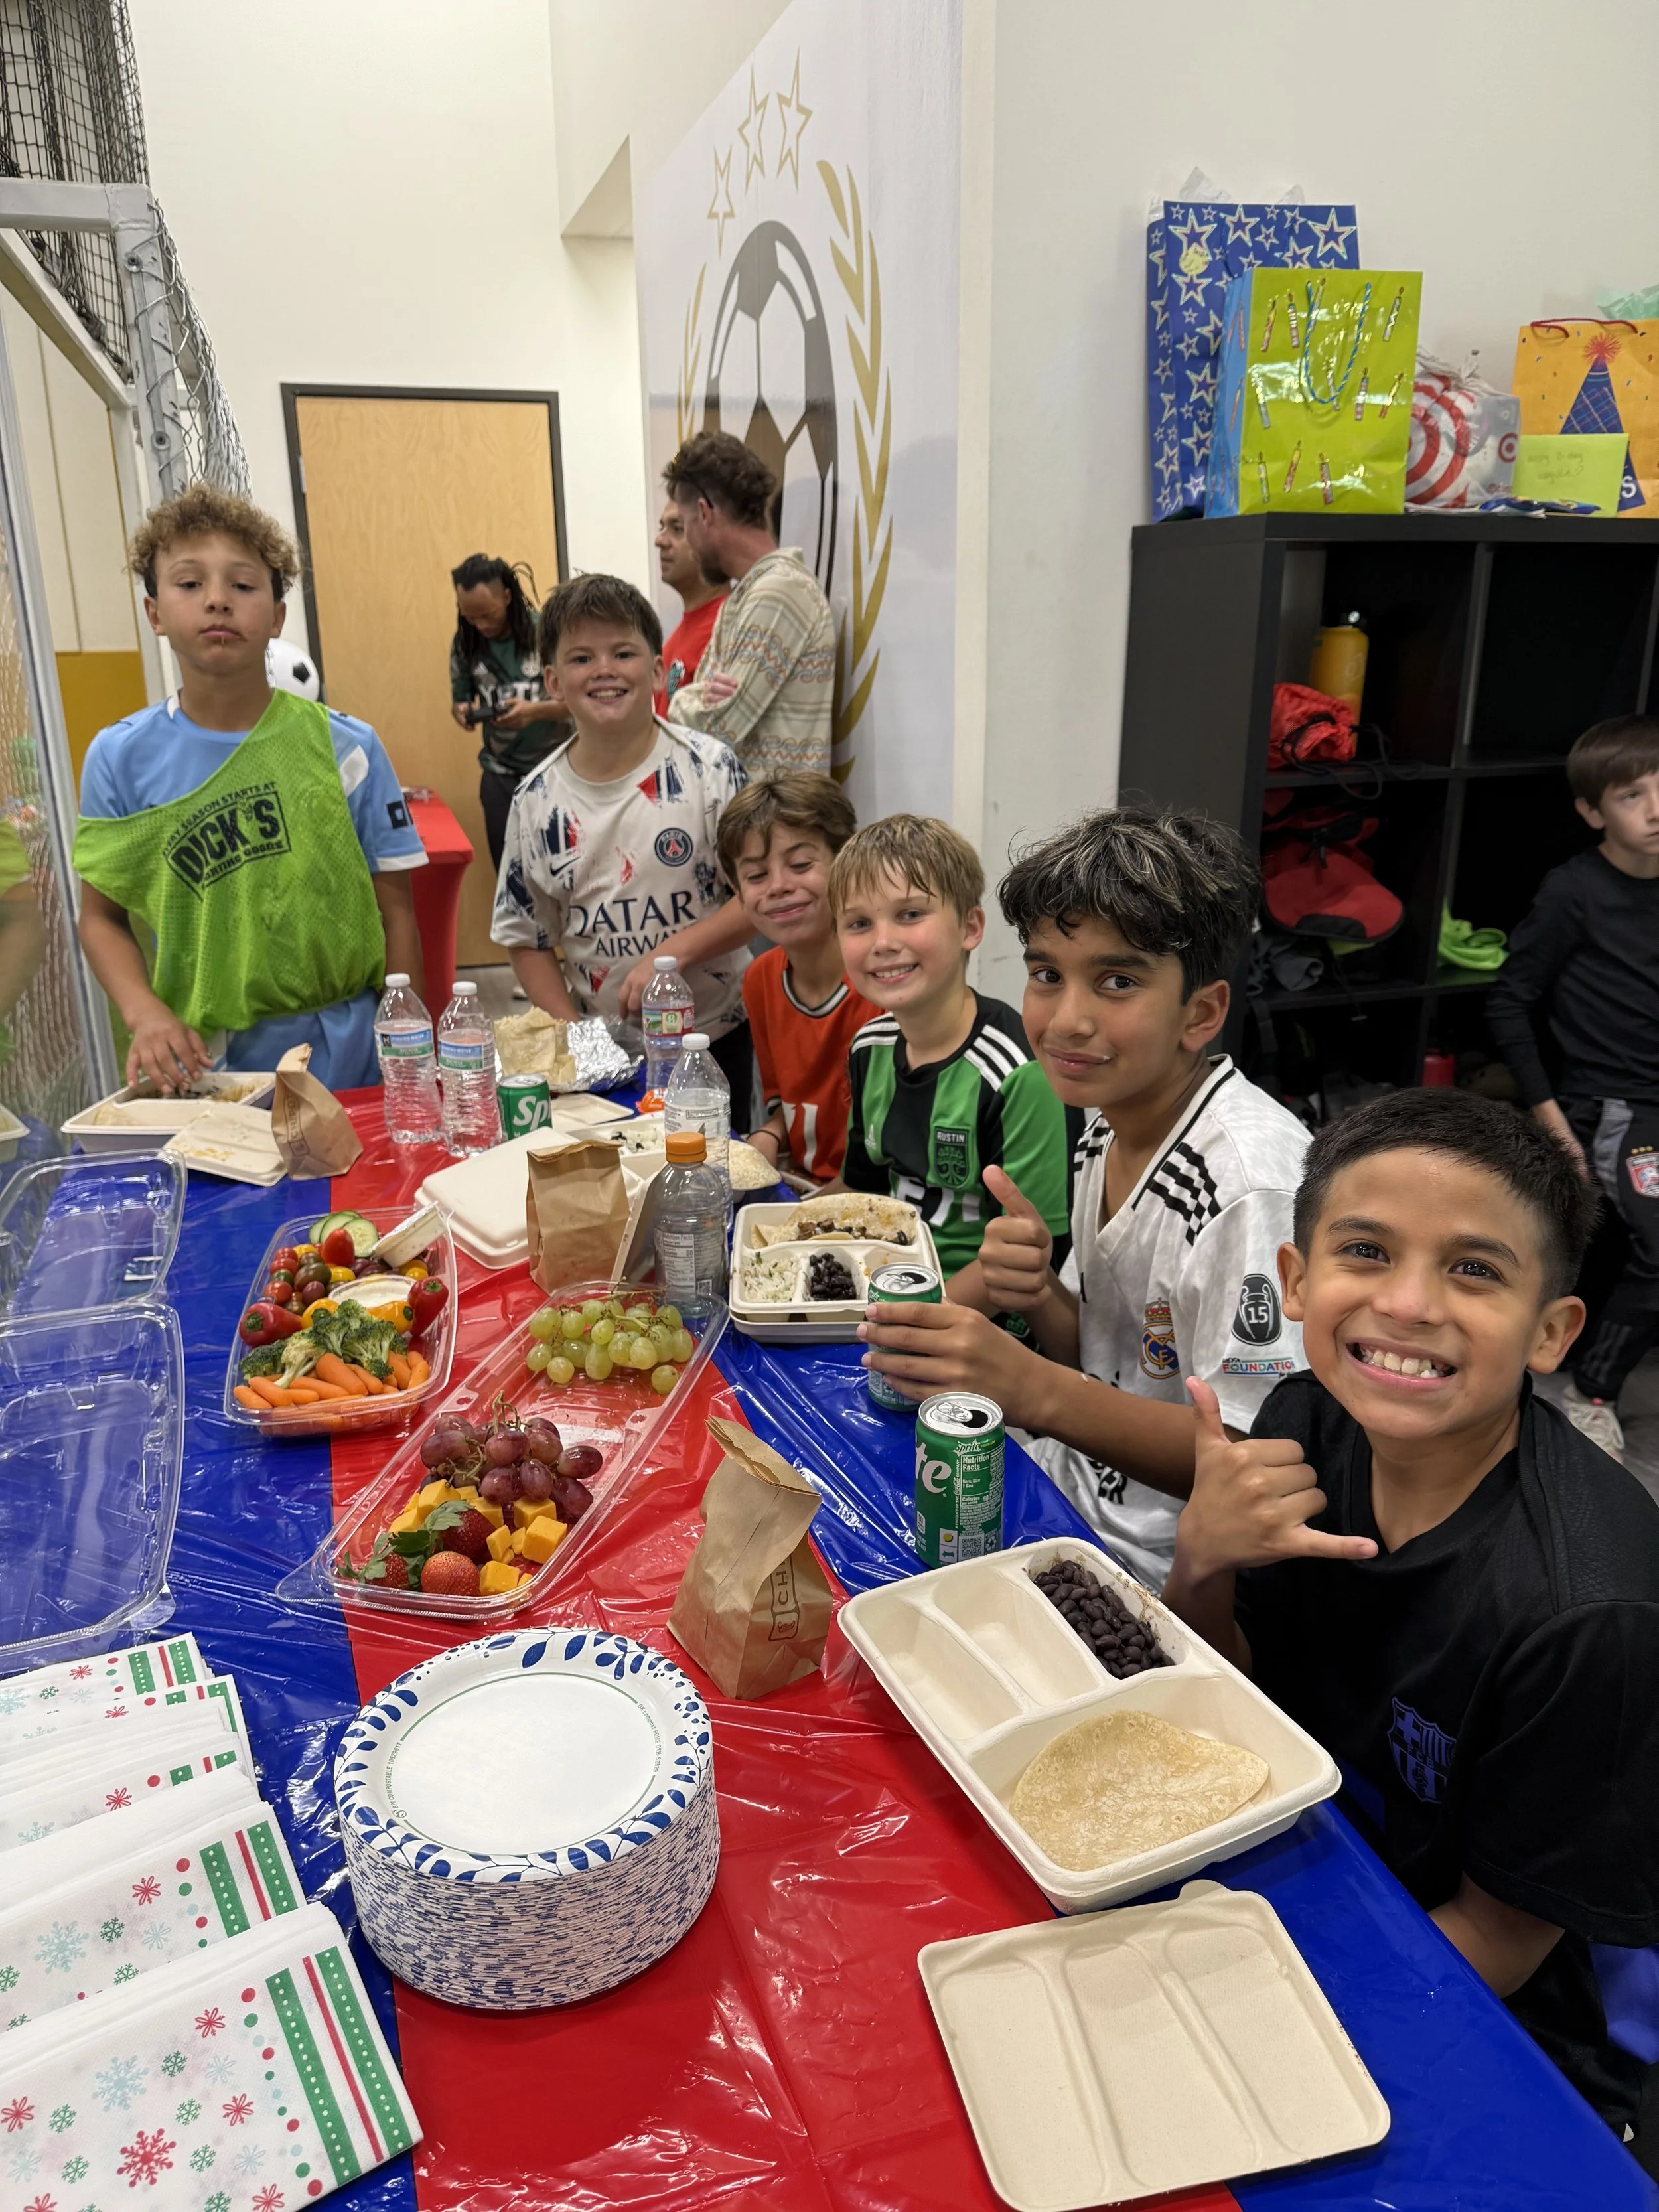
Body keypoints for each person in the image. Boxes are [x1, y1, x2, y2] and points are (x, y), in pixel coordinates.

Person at [1163, 1088, 1659, 2140]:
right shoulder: (1306, 1421)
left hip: (1499, 2025)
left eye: (1474, 1270)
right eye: (1367, 1251)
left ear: (1551, 1331)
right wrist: (1200, 1563)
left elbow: (1501, 1936)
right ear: (1297, 1282)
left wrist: (1244, 2032)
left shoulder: (1586, 1613)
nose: (1410, 1304)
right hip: (1308, 1868)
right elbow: (1231, 1699)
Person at [858, 808, 1309, 1589]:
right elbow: (1104, 1360)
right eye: (1046, 975)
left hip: (1158, 1568)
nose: (1067, 1020)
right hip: (1065, 1493)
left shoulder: (1247, 1184)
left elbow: (1252, 1464)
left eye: (1118, 981)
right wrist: (1035, 1294)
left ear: (1200, 1013)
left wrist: (1033, 1388)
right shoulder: (1107, 1123)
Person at [74, 484, 425, 1092]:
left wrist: (408, 1053)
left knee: (363, 1189)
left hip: (352, 1047)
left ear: (277, 616)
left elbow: (397, 909)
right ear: (155, 612)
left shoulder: (349, 748)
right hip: (209, 1061)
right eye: (189, 584)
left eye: (242, 585)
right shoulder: (119, 758)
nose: (217, 600)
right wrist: (145, 1012)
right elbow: (99, 918)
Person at [490, 573, 755, 1102]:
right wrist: (581, 1039)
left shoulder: (710, 770)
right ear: (553, 682)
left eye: (624, 653)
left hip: (714, 1035)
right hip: (604, 1047)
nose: (605, 671)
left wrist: (675, 952)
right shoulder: (535, 800)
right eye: (582, 658)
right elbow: (526, 937)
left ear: (658, 670)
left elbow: (761, 900)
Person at [1486, 715, 1659, 1463]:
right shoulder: (1573, 893)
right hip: (1613, 1107)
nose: (1656, 810)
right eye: (1631, 796)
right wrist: (1552, 1118)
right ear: (1594, 812)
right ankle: (1591, 1394)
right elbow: (1507, 1001)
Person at [830, 812, 1076, 1293]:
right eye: (859, 923)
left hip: (986, 1319)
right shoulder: (868, 1048)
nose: (883, 943)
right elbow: (861, 1196)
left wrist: (905, 1319)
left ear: (970, 927)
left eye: (910, 914)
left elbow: (1036, 1260)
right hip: (881, 1287)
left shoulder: (1022, 1074)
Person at [717, 772, 875, 1183]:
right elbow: (789, 1110)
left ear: (845, 864)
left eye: (801, 865)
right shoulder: (759, 981)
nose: (779, 887)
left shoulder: (883, 980)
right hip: (803, 1185)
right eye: (755, 876)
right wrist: (767, 1138)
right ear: (738, 891)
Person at [662, 431, 835, 777]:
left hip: (780, 827)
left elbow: (716, 730)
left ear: (704, 513)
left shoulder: (780, 591)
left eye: (682, 526)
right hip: (754, 826)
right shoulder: (745, 596)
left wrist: (681, 701)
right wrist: (701, 697)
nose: (686, 542)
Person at [449, 553, 570, 875]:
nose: (482, 625)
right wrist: (462, 711)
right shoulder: (466, 642)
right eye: (471, 617)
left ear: (507, 595)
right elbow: (460, 698)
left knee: (562, 871)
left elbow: (581, 703)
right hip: (501, 776)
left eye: (487, 615)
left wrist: (535, 712)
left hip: (557, 771)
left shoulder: (546, 633)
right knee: (510, 876)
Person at [652, 500, 726, 717]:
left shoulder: (727, 630)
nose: (660, 541)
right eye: (662, 528)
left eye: (677, 529)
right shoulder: (676, 639)